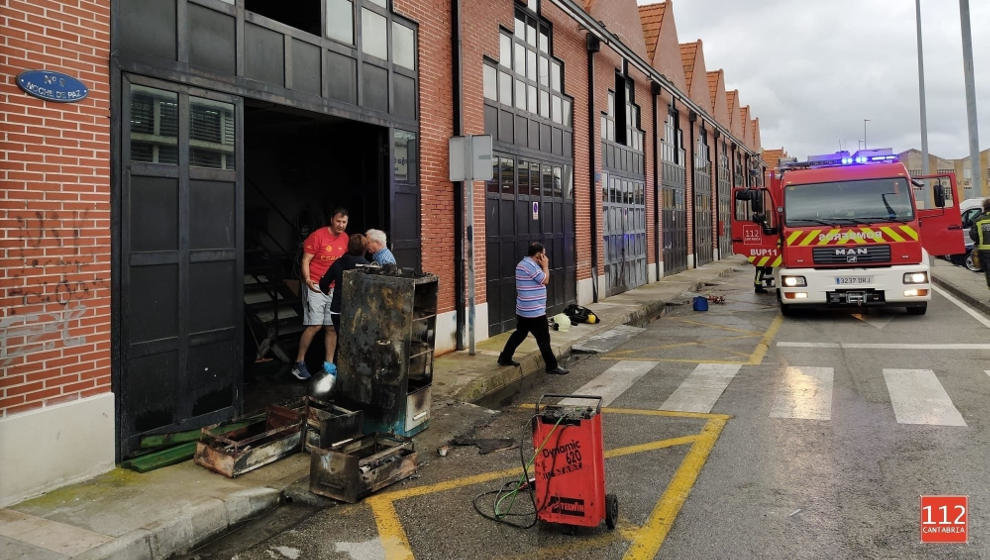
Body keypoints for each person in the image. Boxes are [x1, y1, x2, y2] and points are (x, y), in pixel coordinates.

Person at [293, 208, 349, 381]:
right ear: (332, 219)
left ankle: (329, 366)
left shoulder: (345, 238)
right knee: (315, 325)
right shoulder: (317, 236)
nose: (341, 225)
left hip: (333, 287)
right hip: (315, 285)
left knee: (331, 327)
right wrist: (307, 279)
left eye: (344, 222)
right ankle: (299, 363)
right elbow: (305, 260)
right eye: (338, 221)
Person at [498, 242, 569, 375]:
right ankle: (552, 366)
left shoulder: (523, 264)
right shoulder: (530, 266)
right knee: (544, 340)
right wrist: (546, 266)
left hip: (524, 310)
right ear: (538, 255)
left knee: (519, 334)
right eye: (544, 254)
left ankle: (505, 358)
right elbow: (545, 280)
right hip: (534, 312)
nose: (545, 257)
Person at [319, 233, 370, 362]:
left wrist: (327, 291)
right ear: (364, 248)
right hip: (357, 311)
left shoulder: (339, 262)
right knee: (356, 341)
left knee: (342, 340)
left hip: (337, 309)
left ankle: (338, 369)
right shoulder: (367, 266)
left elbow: (324, 283)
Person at [970, 198, 990, 288]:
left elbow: (973, 235)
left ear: (984, 207)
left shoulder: (979, 220)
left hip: (984, 252)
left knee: (988, 273)